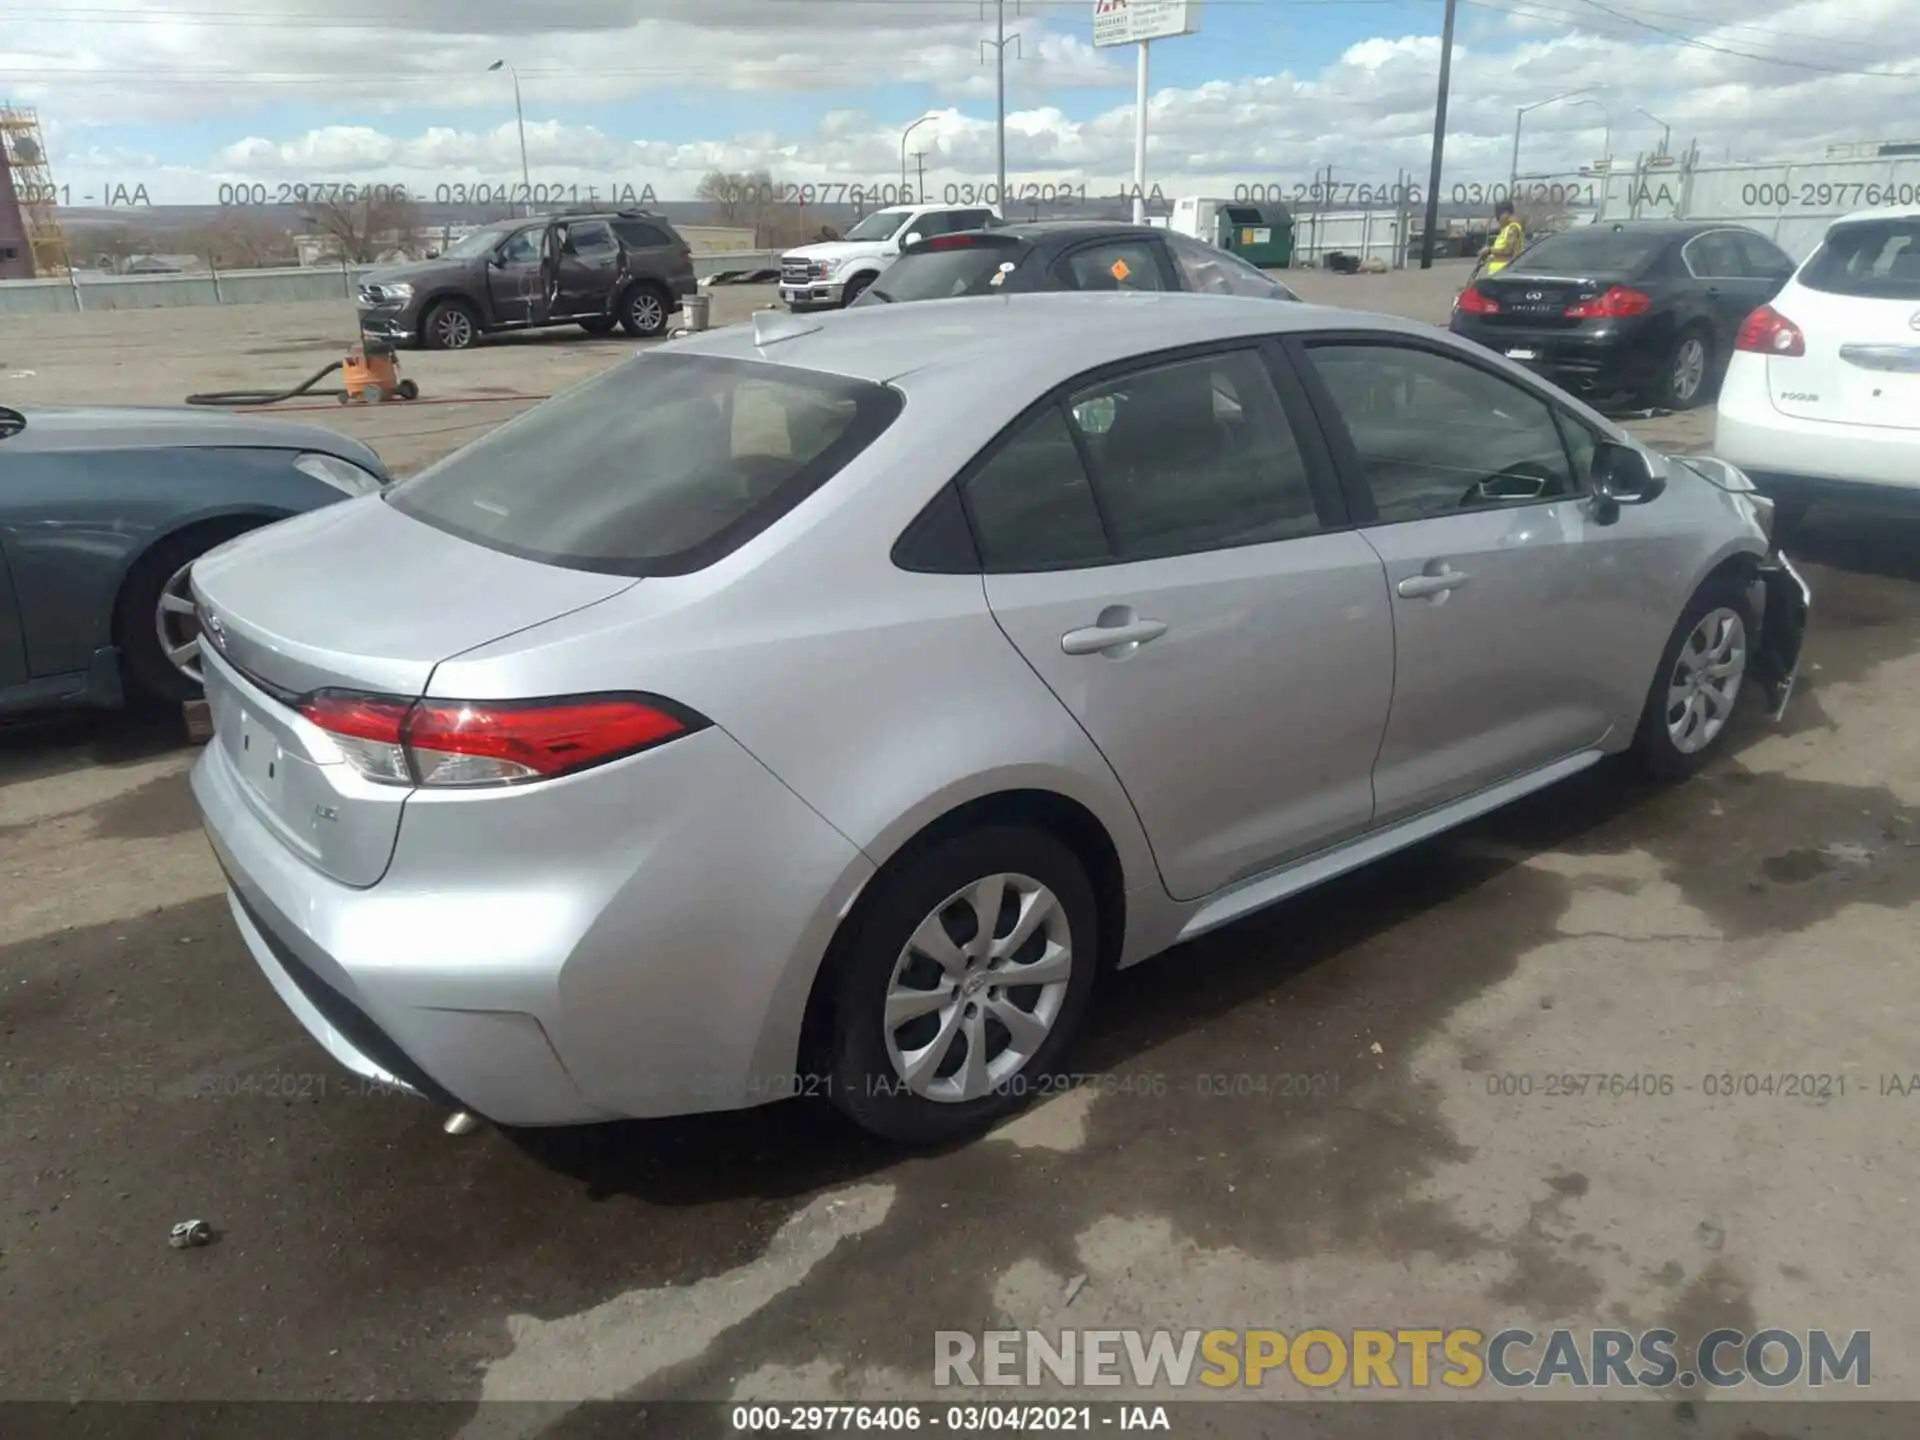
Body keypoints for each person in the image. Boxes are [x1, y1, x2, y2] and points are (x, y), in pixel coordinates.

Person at [1481, 201, 1525, 275]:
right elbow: (1503, 255)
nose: (1498, 220)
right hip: (1498, 273)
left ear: (1505, 214)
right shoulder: (1506, 229)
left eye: (1498, 216)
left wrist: (1489, 250)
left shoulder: (1513, 228)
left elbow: (1508, 251)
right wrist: (1491, 258)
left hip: (1504, 273)